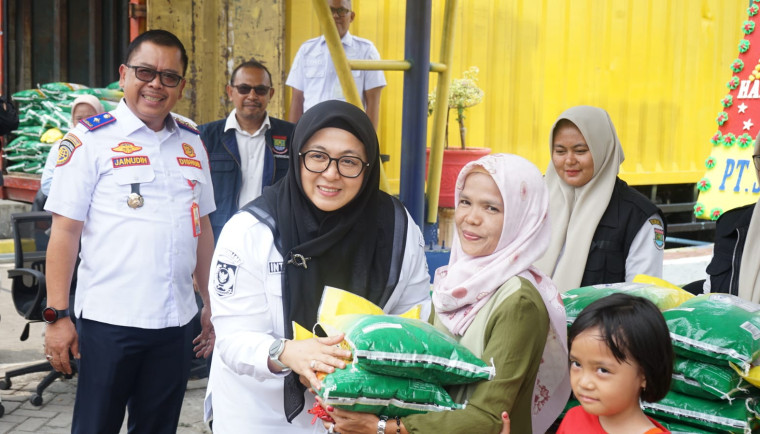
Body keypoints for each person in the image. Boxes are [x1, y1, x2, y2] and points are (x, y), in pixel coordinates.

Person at [204, 100, 431, 432]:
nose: (331, 173)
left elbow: (414, 318)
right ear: (298, 158)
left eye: (349, 161)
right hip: (260, 416)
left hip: (358, 416)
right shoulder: (252, 230)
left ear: (368, 167)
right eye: (317, 156)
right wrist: (286, 352)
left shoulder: (397, 229)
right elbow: (233, 338)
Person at [43, 29, 216, 433]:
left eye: (169, 76)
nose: (156, 84)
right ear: (124, 75)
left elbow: (202, 227)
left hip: (176, 323)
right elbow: (64, 233)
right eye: (145, 72)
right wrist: (57, 317)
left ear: (181, 87)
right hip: (110, 324)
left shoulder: (192, 141)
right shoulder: (89, 140)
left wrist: (210, 303)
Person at [321, 154, 570, 434]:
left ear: (523, 218)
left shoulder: (518, 301)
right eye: (465, 202)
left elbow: (488, 417)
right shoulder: (453, 284)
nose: (470, 218)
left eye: (491, 208)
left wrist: (382, 427)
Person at [535, 105, 666, 292]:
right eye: (560, 151)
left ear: (602, 149)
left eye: (580, 151)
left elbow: (642, 296)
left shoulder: (637, 216)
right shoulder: (537, 199)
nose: (569, 160)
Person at [199, 59, 295, 241]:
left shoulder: (292, 136)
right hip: (221, 236)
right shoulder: (204, 137)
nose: (252, 96)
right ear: (230, 92)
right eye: (244, 89)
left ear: (270, 94)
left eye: (260, 90)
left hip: (274, 235)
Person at [558, 293, 673, 433]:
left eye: (603, 370)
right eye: (577, 364)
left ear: (644, 375)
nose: (584, 383)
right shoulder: (574, 418)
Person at [286, 0, 386, 129]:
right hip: (312, 130)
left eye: (341, 11)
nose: (335, 16)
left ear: (352, 16)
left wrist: (368, 139)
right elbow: (297, 100)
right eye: (330, 10)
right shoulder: (306, 50)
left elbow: (373, 103)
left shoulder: (366, 51)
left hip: (349, 131)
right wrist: (293, 137)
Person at [40, 95, 105, 197]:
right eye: (79, 119)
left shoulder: (109, 146)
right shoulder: (61, 148)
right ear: (72, 120)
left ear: (100, 117)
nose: (84, 123)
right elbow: (47, 184)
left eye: (90, 118)